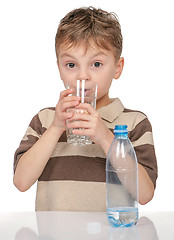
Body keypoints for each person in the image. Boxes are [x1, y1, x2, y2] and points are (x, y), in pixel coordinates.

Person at [13, 6, 158, 211]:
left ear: (118, 67)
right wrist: (55, 128)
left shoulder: (135, 123)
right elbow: (21, 181)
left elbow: (144, 194)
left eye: (96, 64)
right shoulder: (45, 120)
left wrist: (105, 137)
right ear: (59, 69)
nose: (83, 76)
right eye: (71, 65)